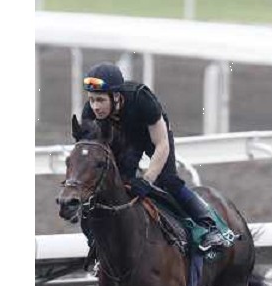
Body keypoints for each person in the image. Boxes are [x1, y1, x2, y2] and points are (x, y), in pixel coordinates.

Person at [79, 61, 228, 254]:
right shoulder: (89, 112)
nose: (95, 107)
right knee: (118, 184)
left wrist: (148, 179)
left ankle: (209, 226)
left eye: (100, 100)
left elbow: (162, 144)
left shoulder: (142, 98)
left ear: (116, 96)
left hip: (153, 137)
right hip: (125, 139)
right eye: (91, 100)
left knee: (168, 181)